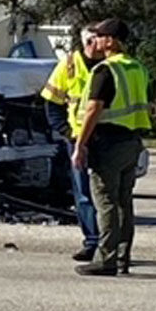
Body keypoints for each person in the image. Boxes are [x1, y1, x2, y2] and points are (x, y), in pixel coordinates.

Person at [72, 18, 152, 277]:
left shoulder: (105, 71)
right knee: (124, 203)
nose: (93, 41)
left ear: (110, 41)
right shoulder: (137, 68)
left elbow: (94, 109)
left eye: (98, 36)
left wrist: (81, 144)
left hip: (108, 143)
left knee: (105, 201)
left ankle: (106, 259)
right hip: (132, 142)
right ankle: (121, 257)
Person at [41, 26, 101, 262]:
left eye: (97, 40)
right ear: (82, 43)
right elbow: (52, 103)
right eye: (89, 41)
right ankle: (91, 241)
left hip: (106, 136)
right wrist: (66, 132)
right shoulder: (68, 65)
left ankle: (109, 243)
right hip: (77, 138)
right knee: (83, 192)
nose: (93, 46)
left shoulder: (111, 64)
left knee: (106, 194)